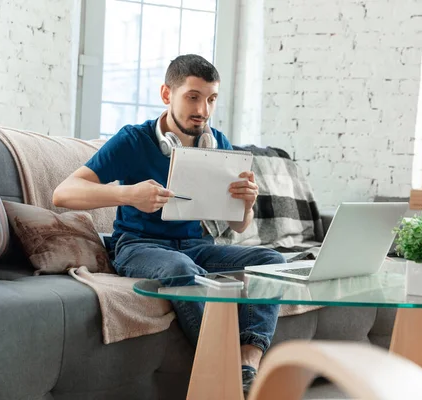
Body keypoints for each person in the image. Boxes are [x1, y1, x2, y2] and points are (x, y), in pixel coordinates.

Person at [52, 54, 285, 395]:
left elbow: (238, 225)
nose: (203, 109)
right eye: (193, 96)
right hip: (139, 246)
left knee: (272, 263)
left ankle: (247, 362)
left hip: (197, 245)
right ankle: (220, 368)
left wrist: (247, 204)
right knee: (181, 267)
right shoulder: (133, 140)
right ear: (167, 94)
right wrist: (129, 195)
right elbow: (64, 193)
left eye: (211, 99)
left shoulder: (216, 143)